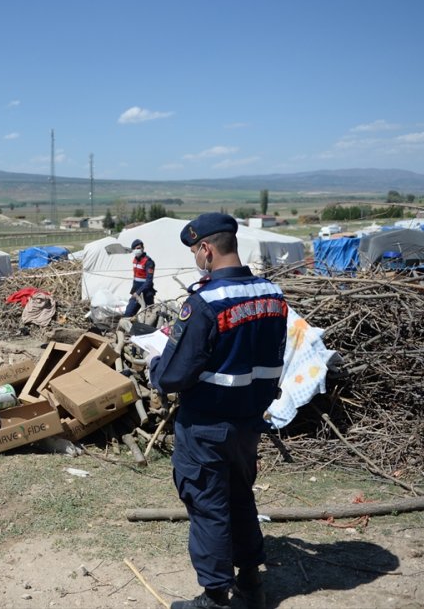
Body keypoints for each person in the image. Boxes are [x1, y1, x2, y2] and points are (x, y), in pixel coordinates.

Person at [149, 213, 288, 609]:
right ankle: (250, 588)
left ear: (206, 249)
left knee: (208, 507)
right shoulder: (273, 295)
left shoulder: (204, 302)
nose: (196, 259)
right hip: (248, 424)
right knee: (241, 499)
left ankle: (215, 598)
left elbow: (175, 375)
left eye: (195, 251)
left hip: (206, 425)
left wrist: (156, 366)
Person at [125, 238, 155, 317]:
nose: (137, 250)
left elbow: (149, 282)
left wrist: (138, 293)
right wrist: (134, 291)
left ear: (142, 248)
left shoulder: (148, 262)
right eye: (135, 249)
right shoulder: (135, 260)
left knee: (150, 315)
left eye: (138, 248)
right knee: (128, 313)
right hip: (136, 290)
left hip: (146, 292)